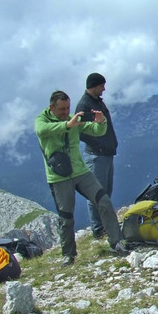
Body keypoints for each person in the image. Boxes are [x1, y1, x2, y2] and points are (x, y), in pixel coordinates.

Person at [35, 90, 129, 266]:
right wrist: (67, 125)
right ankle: (68, 255)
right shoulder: (43, 120)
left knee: (103, 201)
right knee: (66, 217)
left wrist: (102, 122)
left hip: (81, 171)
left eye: (68, 108)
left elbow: (96, 130)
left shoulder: (73, 120)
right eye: (62, 109)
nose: (65, 112)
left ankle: (117, 242)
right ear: (51, 108)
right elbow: (42, 131)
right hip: (59, 177)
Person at [76, 73, 119, 239]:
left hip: (106, 153)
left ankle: (106, 224)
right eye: (102, 86)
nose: (104, 89)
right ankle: (98, 228)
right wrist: (99, 144)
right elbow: (81, 131)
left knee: (106, 192)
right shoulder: (85, 104)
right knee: (97, 193)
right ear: (94, 86)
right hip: (97, 155)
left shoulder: (96, 101)